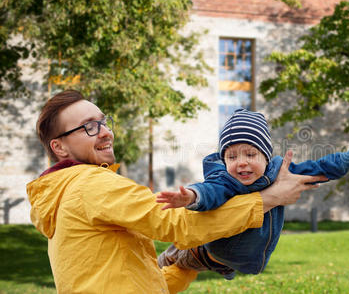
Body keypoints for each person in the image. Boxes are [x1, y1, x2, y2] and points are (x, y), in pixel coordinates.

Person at [26, 90, 327, 294]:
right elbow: (179, 224)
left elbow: (136, 281)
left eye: (104, 122)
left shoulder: (63, 194)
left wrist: (187, 264)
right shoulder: (91, 185)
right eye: (89, 127)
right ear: (59, 146)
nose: (106, 131)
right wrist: (270, 198)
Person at [156, 109, 349, 280]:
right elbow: (210, 190)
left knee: (178, 271)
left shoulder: (281, 175)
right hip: (203, 252)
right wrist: (191, 196)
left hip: (234, 259)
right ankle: (147, 269)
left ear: (266, 157)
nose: (241, 162)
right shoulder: (227, 180)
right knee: (168, 264)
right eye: (231, 157)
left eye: (250, 154)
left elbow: (318, 168)